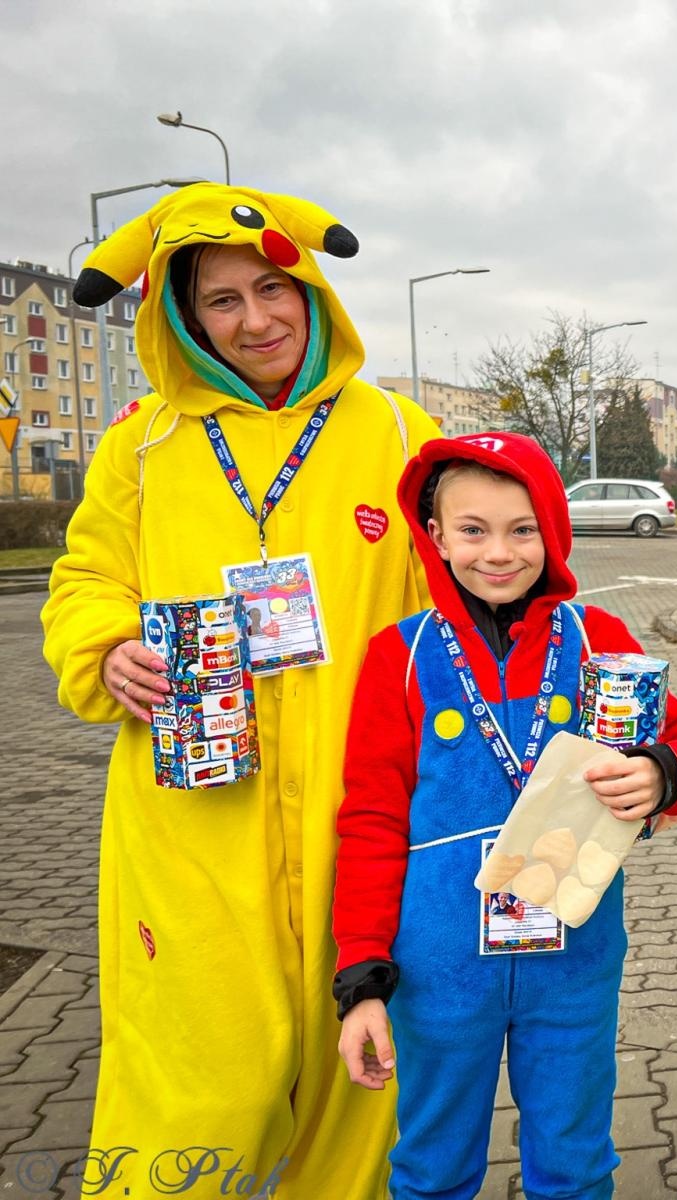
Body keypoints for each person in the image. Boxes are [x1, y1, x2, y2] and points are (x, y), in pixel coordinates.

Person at [41, 183, 441, 1198]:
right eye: (222, 300)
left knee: (365, 1069)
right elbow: (87, 577)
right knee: (200, 1075)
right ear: (179, 314)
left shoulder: (397, 433)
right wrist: (104, 646)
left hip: (363, 810)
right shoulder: (142, 444)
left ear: (311, 291)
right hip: (192, 818)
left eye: (274, 287)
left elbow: (470, 595)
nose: (255, 319)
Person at [331, 432, 677, 1200]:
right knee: (432, 1168)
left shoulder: (597, 641)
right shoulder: (397, 657)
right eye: (472, 530)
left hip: (573, 956)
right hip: (438, 968)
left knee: (575, 1166)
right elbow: (370, 820)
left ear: (553, 529)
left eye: (523, 529)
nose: (498, 553)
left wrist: (662, 772)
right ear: (434, 534)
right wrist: (362, 977)